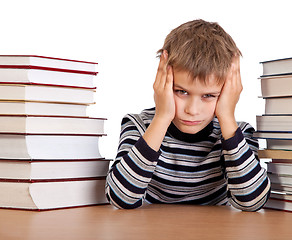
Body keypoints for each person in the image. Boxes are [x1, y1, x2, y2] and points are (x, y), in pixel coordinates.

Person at [105, 19, 270, 210]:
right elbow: (119, 198)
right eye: (181, 92)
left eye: (208, 95)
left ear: (227, 91)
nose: (192, 110)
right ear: (162, 82)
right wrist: (162, 117)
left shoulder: (235, 133)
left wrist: (226, 116)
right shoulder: (139, 126)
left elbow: (252, 202)